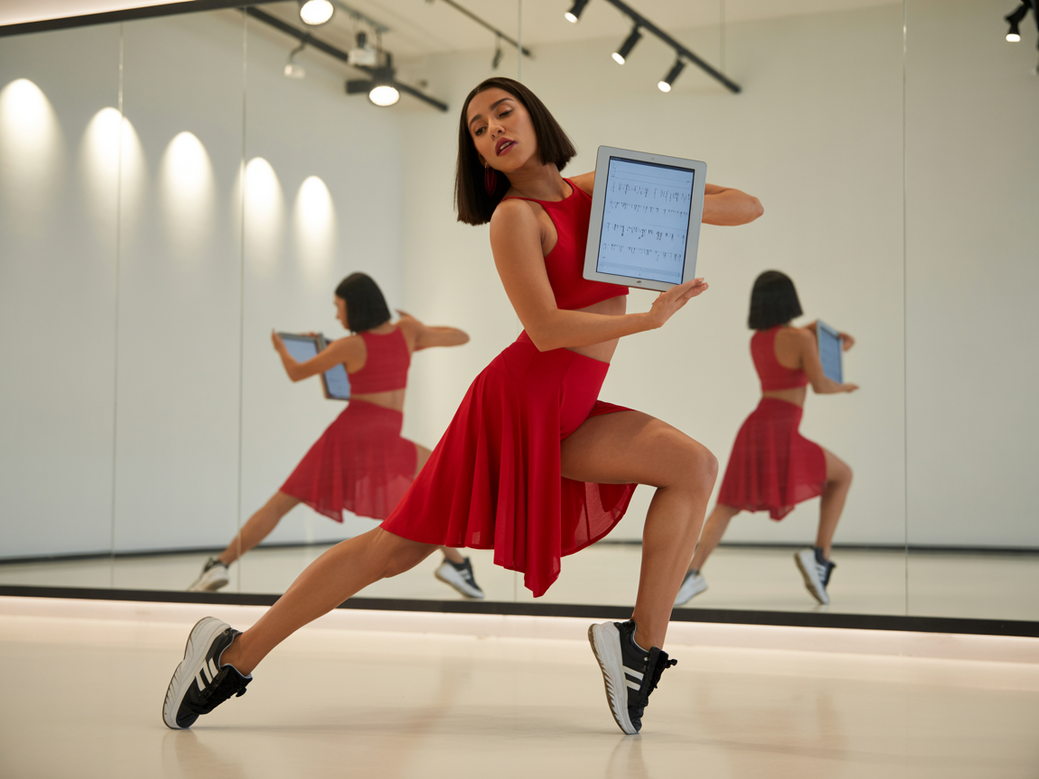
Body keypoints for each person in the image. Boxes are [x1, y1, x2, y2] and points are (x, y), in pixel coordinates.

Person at [162, 77, 762, 736]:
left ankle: (637, 648)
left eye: (503, 113)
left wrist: (670, 205)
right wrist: (648, 321)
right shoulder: (514, 218)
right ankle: (232, 654)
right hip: (515, 407)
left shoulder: (591, 190)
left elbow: (746, 205)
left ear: (535, 118)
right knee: (393, 548)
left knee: (694, 466)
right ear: (479, 158)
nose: (493, 129)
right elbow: (546, 329)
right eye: (477, 128)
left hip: (570, 409)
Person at [186, 272, 483, 600]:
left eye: (338, 307)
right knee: (430, 488)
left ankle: (220, 563)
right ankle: (455, 564)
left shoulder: (350, 345)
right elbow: (461, 337)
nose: (336, 315)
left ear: (355, 308)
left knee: (283, 502)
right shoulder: (407, 332)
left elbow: (297, 372)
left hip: (352, 436)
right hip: (377, 437)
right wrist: (418, 326)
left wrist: (282, 348)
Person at [673, 270, 857, 608]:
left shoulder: (758, 339)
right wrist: (843, 386)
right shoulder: (799, 339)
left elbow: (792, 340)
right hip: (781, 431)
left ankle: (690, 576)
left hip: (756, 427)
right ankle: (819, 558)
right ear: (790, 300)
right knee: (843, 476)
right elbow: (820, 384)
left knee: (727, 506)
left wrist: (821, 332)